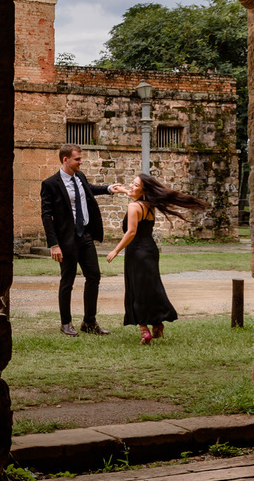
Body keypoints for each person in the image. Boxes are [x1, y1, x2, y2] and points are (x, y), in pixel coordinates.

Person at [106, 173, 209, 345]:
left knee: (137, 291)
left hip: (137, 251)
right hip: (150, 250)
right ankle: (157, 324)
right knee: (151, 288)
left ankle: (144, 331)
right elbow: (136, 196)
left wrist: (115, 250)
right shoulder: (149, 205)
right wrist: (124, 190)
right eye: (131, 183)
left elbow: (131, 232)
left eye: (135, 184)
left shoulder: (133, 207)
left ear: (143, 190)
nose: (131, 186)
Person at [40, 143, 126, 336]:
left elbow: (89, 189)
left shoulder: (80, 177)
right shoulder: (50, 184)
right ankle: (65, 323)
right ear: (65, 159)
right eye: (77, 159)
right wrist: (54, 244)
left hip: (85, 236)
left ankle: (89, 322)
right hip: (66, 240)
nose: (81, 162)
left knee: (94, 276)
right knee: (67, 281)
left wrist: (109, 188)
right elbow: (46, 215)